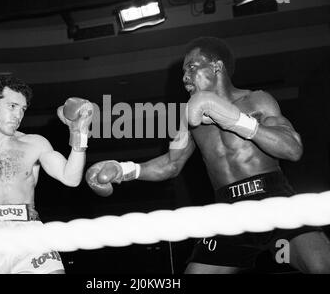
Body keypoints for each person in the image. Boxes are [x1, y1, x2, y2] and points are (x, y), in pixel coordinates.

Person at [85, 37, 330, 274]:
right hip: (228, 210)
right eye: (183, 72)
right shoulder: (189, 119)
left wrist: (236, 121)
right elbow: (170, 165)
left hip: (274, 198)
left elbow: (292, 149)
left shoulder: (256, 100)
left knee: (322, 266)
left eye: (192, 67)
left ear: (216, 66)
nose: (184, 78)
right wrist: (124, 169)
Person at [0, 75, 93, 274]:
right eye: (12, 106)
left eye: (22, 109)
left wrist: (79, 135)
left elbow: (71, 178)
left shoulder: (34, 143)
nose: (18, 115)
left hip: (28, 228)